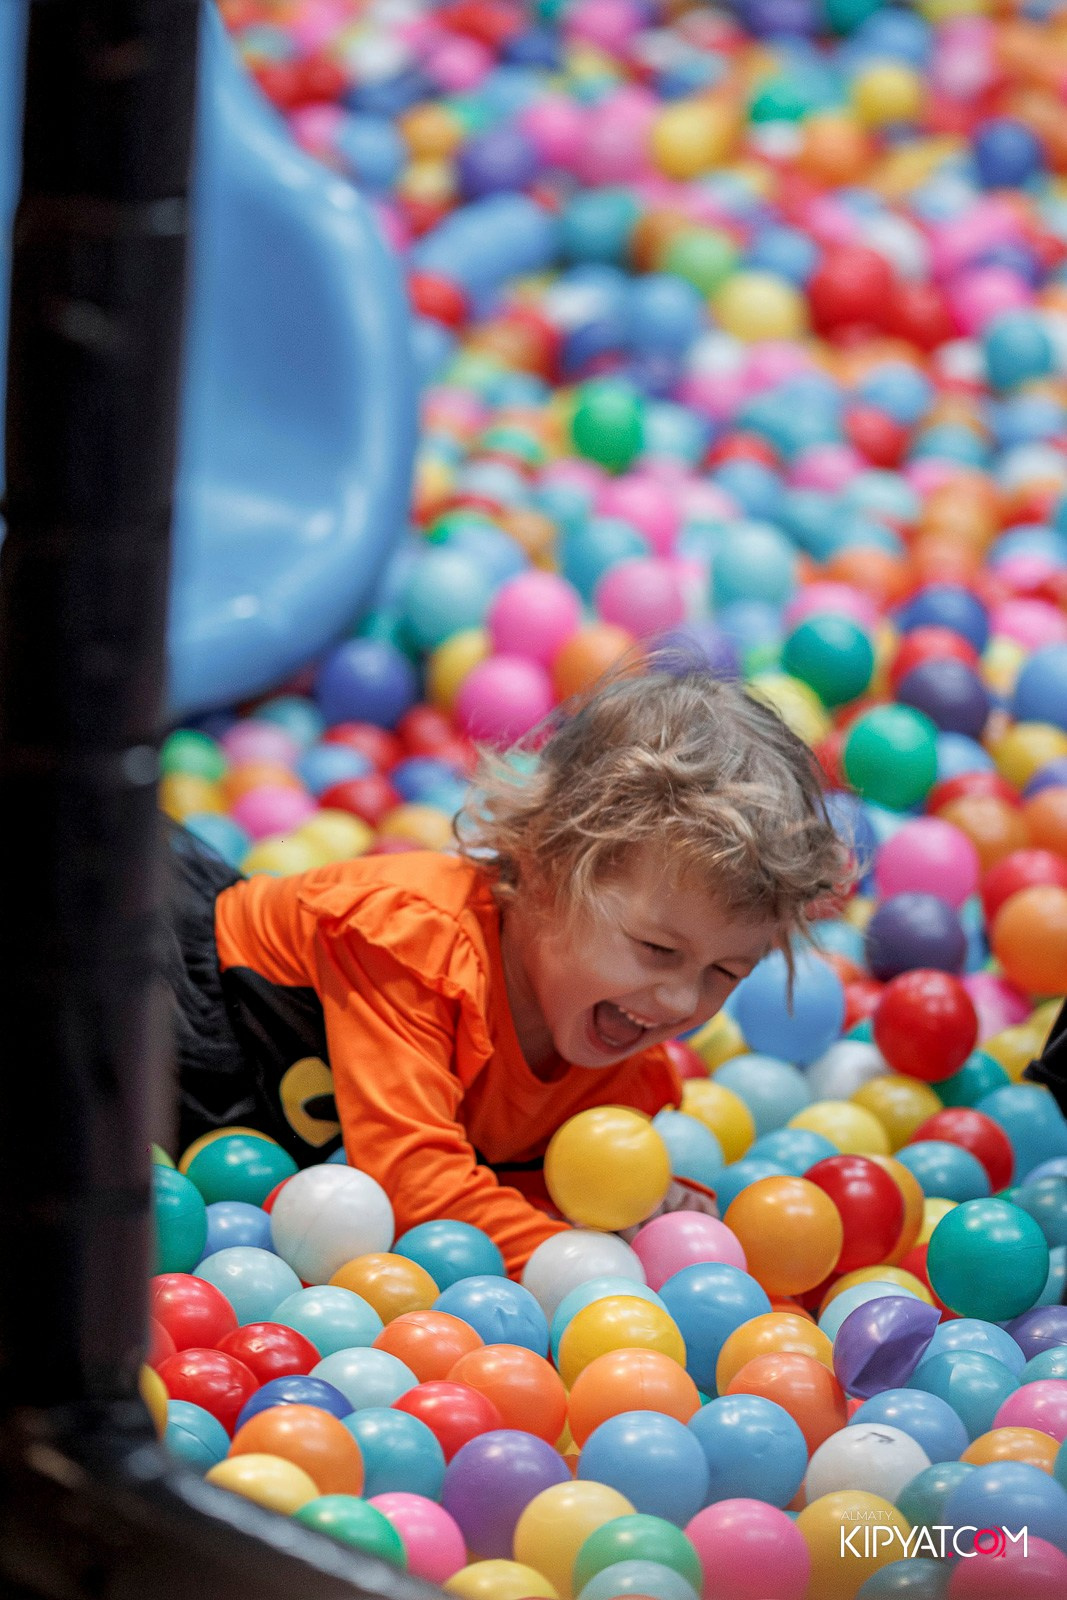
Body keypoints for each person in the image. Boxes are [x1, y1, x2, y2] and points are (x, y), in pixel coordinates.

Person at [164, 663, 849, 1277]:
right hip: (171, 983)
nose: (678, 999)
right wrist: (605, 1275)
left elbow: (508, 1182)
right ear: (547, 867)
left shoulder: (615, 1064)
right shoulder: (412, 945)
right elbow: (416, 1188)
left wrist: (636, 1215)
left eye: (724, 972)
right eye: (656, 950)